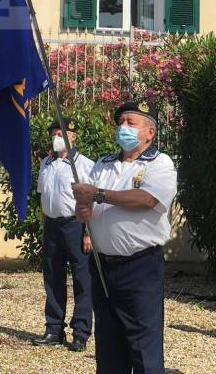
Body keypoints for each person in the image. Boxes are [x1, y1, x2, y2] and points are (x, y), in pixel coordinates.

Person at [72, 100, 177, 374]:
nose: (123, 127)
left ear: (149, 133)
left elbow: (146, 198)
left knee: (144, 348)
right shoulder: (103, 165)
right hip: (102, 265)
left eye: (131, 122)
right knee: (108, 348)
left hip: (139, 267)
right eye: (121, 122)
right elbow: (89, 208)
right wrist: (83, 207)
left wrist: (97, 194)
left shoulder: (160, 164)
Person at [32, 119, 94, 352]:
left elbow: (90, 201)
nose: (58, 137)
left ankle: (80, 332)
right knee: (52, 277)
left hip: (76, 226)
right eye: (55, 133)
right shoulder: (46, 163)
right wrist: (44, 223)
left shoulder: (84, 165)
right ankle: (54, 328)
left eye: (63, 133)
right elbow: (43, 195)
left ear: (73, 137)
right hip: (52, 226)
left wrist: (88, 232)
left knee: (82, 280)